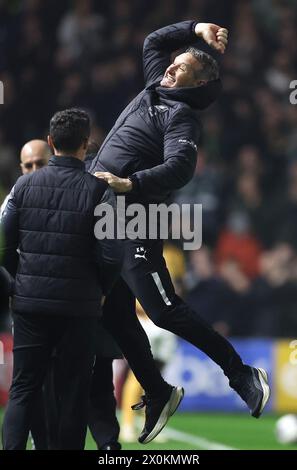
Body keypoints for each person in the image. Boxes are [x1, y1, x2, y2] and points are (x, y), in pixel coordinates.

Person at [89, 21, 270, 443]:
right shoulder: (156, 82)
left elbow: (181, 168)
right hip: (105, 223)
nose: (170, 68)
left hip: (134, 222)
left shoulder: (181, 117)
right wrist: (196, 28)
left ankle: (240, 373)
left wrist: (129, 184)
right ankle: (158, 391)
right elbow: (154, 40)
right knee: (114, 314)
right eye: (173, 63)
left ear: (199, 81)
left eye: (181, 66)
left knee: (163, 309)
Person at [0, 108, 122, 449]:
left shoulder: (23, 186)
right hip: (79, 308)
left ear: (51, 142)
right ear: (86, 145)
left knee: (23, 389)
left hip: (29, 305)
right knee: (73, 392)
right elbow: (113, 254)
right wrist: (101, 289)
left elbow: (4, 246)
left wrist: (14, 285)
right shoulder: (99, 192)